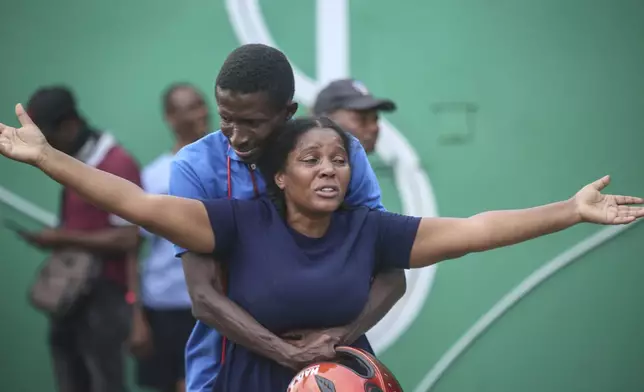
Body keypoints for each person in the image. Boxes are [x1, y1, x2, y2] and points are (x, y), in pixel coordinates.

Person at [2, 109, 643, 390]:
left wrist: (571, 211)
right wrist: (50, 159)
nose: (329, 170)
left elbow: (476, 229)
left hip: (346, 386)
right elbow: (137, 204)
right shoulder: (239, 224)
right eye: (311, 159)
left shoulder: (370, 232)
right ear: (281, 175)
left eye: (339, 159)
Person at [168, 44, 406, 392]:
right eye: (226, 118)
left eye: (252, 122)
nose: (237, 135)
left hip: (331, 369)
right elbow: (203, 295)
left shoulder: (341, 156)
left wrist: (335, 340)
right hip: (223, 368)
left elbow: (391, 274)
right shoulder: (194, 167)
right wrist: (285, 352)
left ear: (287, 112)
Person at [17, 87, 142, 392]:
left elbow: (128, 239)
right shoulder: (71, 164)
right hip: (70, 298)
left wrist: (62, 237)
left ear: (69, 126)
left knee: (104, 383)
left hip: (105, 298)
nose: (43, 146)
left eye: (46, 136)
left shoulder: (117, 162)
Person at [133, 83, 210, 392]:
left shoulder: (231, 167)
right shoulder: (153, 176)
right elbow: (132, 250)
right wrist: (135, 315)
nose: (199, 113)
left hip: (215, 306)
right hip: (165, 308)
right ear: (169, 117)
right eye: (187, 108)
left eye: (201, 104)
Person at [312, 78, 396, 153]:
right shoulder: (303, 169)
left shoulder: (361, 169)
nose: (374, 128)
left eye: (375, 120)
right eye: (362, 119)